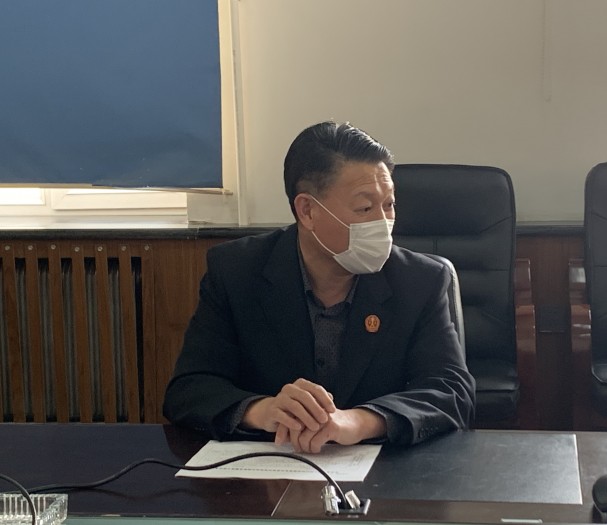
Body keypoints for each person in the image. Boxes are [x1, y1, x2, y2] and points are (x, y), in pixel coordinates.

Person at [163, 121, 475, 453]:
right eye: (365, 208)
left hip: (384, 469)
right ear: (308, 211)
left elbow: (452, 392)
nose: (382, 223)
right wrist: (262, 410)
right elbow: (189, 389)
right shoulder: (237, 271)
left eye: (389, 205)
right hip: (272, 466)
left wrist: (359, 421)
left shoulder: (420, 281)